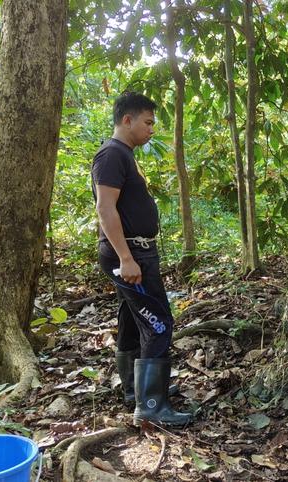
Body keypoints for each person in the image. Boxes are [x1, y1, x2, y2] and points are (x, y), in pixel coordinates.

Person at [91, 91, 191, 427]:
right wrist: (126, 258)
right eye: (148, 122)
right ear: (127, 119)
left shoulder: (123, 155)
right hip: (130, 253)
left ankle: (137, 391)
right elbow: (105, 208)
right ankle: (151, 407)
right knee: (159, 323)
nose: (152, 130)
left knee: (133, 320)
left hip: (137, 251)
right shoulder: (111, 155)